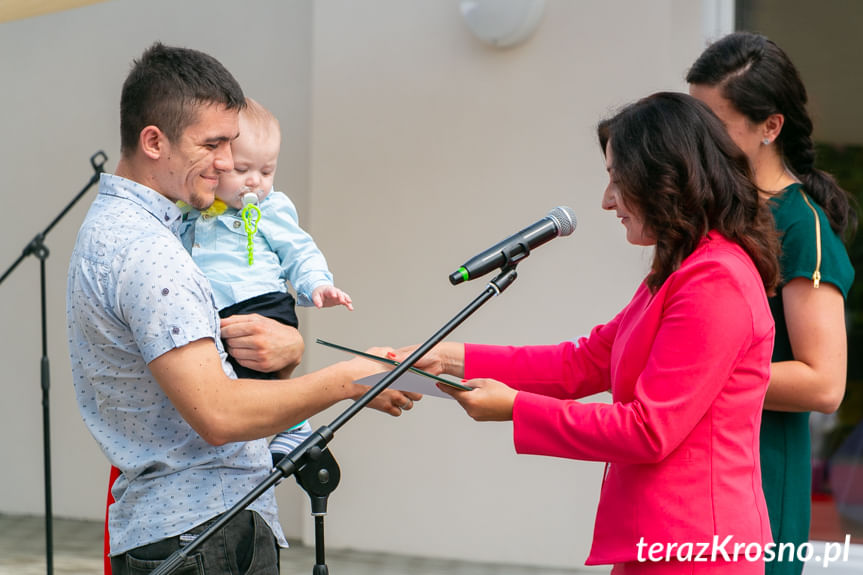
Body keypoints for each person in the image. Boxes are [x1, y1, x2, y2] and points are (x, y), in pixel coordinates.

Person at [67, 42, 419, 575]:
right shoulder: (149, 252)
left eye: (232, 144)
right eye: (212, 144)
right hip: (200, 531)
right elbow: (219, 413)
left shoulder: (137, 232)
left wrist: (288, 346)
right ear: (154, 141)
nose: (229, 164)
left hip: (191, 526)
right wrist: (353, 378)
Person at [393, 92, 780, 573]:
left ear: (665, 176)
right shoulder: (682, 270)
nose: (606, 201)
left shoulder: (715, 279)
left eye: (617, 181)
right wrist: (451, 359)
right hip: (661, 541)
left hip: (696, 547)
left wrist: (514, 407)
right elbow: (581, 363)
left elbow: (648, 430)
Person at [687, 32, 856, 575]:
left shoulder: (799, 226)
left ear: (771, 126)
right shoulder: (718, 212)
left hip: (756, 482)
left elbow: (824, 383)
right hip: (695, 477)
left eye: (714, 125)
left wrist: (696, 375)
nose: (697, 138)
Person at [180, 96, 351, 456]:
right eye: (242, 170)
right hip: (217, 311)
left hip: (263, 303)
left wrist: (318, 283)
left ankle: (295, 425)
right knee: (225, 383)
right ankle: (287, 426)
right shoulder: (196, 210)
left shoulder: (270, 209)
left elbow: (299, 249)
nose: (255, 181)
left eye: (267, 171)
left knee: (255, 378)